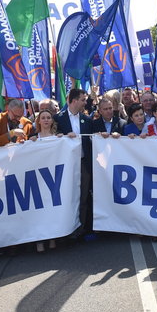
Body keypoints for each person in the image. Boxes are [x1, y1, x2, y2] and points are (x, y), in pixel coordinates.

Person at [54, 88, 95, 237]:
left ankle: (80, 230)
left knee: (83, 197)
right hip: (66, 166)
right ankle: (66, 230)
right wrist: (62, 136)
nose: (85, 103)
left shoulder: (87, 120)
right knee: (66, 197)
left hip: (83, 164)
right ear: (74, 100)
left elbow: (93, 140)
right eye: (83, 100)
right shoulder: (58, 118)